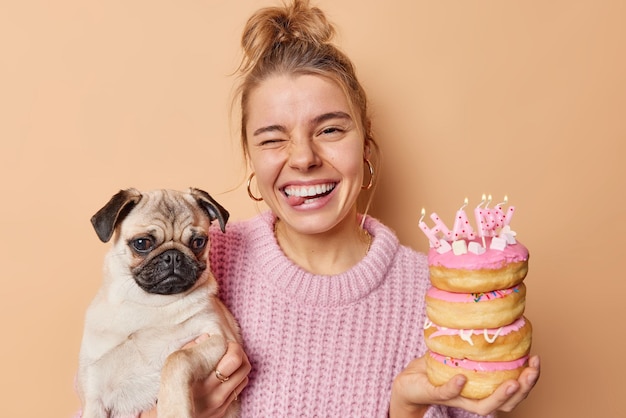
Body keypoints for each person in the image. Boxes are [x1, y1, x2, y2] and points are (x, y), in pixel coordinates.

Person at [138, 0, 540, 416]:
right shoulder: (200, 260)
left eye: (330, 129)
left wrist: (406, 409)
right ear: (251, 160)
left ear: (365, 144)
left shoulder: (442, 294)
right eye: (273, 138)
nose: (303, 158)